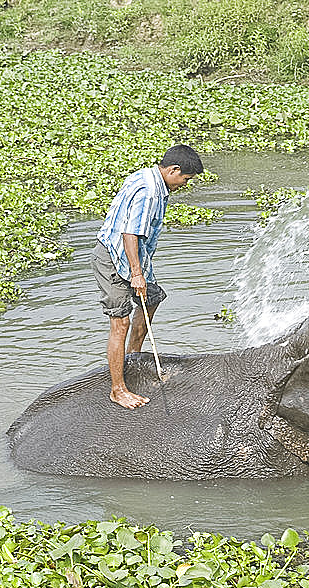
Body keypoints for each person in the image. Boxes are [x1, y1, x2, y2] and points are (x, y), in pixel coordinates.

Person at [91, 144, 204, 408]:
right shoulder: (150, 192)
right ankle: (117, 389)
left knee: (151, 299)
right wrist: (136, 274)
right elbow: (130, 233)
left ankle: (133, 357)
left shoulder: (148, 176)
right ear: (174, 170)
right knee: (120, 322)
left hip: (135, 256)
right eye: (185, 179)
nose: (184, 185)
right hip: (114, 257)